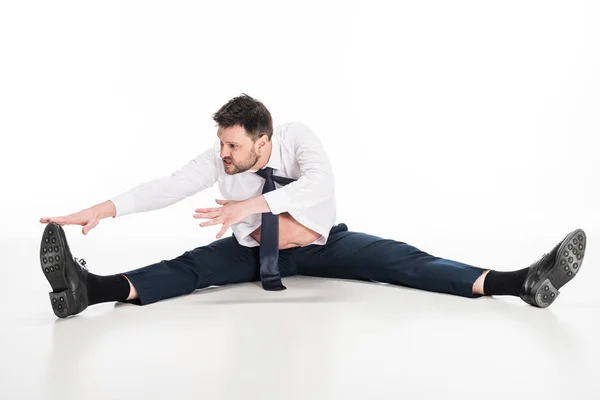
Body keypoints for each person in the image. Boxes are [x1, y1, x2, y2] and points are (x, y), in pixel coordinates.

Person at [39, 93, 587, 318]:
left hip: (324, 245)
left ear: (263, 139)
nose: (223, 155)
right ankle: (88, 290)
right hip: (254, 251)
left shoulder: (299, 140)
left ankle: (522, 282)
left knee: (405, 261)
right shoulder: (219, 159)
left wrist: (250, 202)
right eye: (221, 145)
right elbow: (169, 184)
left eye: (233, 146)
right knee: (188, 270)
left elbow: (319, 186)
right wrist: (104, 209)